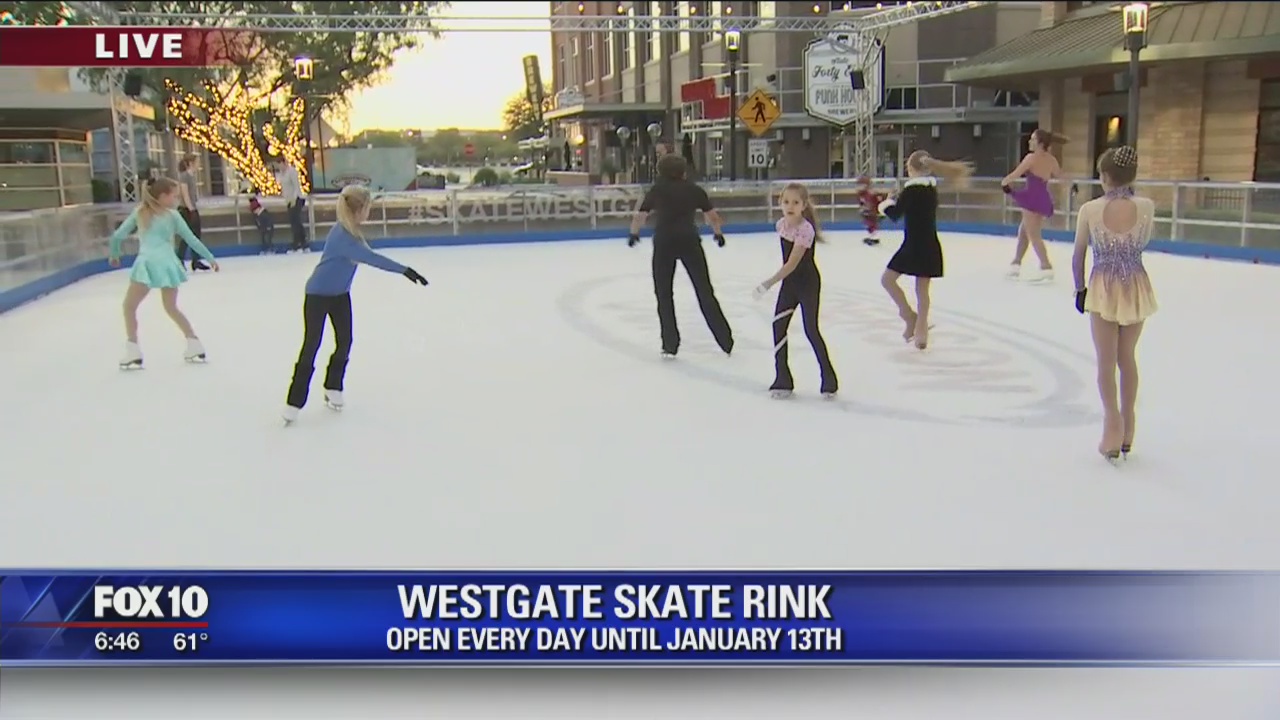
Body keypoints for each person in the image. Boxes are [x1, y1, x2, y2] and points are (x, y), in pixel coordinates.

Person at [282, 185, 429, 425]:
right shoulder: (343, 237)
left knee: (345, 341)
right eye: (367, 208)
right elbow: (372, 258)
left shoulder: (352, 232)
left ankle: (333, 386)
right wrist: (405, 270)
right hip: (317, 296)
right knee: (311, 345)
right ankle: (293, 402)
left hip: (340, 295)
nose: (369, 212)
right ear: (358, 210)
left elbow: (367, 254)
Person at [1070, 145, 1157, 463]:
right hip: (1135, 285)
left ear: (1105, 176)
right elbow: (1143, 241)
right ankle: (1128, 425)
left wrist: (1080, 289)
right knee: (1126, 357)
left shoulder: (1090, 209)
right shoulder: (1146, 206)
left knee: (1106, 362)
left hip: (1103, 288)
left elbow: (1078, 254)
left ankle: (1113, 425)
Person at [627, 154, 733, 359]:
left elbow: (640, 215)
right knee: (704, 290)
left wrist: (634, 234)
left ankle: (670, 344)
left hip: (664, 242)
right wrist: (718, 234)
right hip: (689, 241)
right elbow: (712, 216)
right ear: (683, 171)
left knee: (664, 294)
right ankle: (725, 340)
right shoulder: (694, 190)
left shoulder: (656, 190)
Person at [108, 177, 220, 369]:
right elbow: (191, 239)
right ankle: (194, 343)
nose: (177, 200)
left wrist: (115, 254)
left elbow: (118, 235)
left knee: (129, 306)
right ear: (162, 196)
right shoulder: (172, 216)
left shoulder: (140, 213)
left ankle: (133, 349)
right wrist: (210, 258)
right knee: (171, 307)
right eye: (174, 196)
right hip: (167, 263)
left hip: (147, 263)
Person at [879, 150, 974, 350]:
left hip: (912, 245)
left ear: (910, 168)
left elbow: (895, 214)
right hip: (929, 244)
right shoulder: (930, 190)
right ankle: (921, 332)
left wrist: (886, 203)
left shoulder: (911, 190)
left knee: (887, 280)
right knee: (922, 291)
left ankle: (909, 316)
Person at [751, 183, 837, 399]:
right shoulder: (781, 225)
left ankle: (829, 379)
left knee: (811, 330)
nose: (790, 206)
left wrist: (768, 283)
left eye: (795, 202)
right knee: (778, 326)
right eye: (786, 202)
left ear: (804, 205)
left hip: (808, 284)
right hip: (790, 284)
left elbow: (792, 263)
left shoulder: (806, 230)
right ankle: (783, 379)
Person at [1002, 129, 1068, 282]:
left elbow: (1016, 173)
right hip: (1042, 197)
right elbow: (1061, 176)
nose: (1029, 141)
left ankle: (1046, 266)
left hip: (1031, 198)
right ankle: (1016, 263)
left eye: (1032, 139)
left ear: (1040, 143)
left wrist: (1004, 182)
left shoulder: (1031, 158)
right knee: (1024, 231)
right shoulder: (1051, 160)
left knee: (1033, 235)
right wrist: (1072, 185)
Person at [175, 155, 210, 272]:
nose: (198, 164)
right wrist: (191, 209)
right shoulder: (184, 176)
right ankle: (180, 258)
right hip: (186, 209)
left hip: (192, 208)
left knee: (196, 235)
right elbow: (185, 194)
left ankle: (196, 260)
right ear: (191, 163)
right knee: (187, 235)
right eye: (197, 162)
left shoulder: (192, 176)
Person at [276, 160, 308, 252]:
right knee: (294, 221)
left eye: (281, 165)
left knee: (296, 222)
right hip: (289, 201)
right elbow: (283, 187)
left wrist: (294, 199)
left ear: (285, 163)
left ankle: (298, 243)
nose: (280, 167)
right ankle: (302, 242)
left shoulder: (292, 171)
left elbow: (296, 186)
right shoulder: (281, 174)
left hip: (296, 199)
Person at [855, 175, 887, 246]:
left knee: (872, 223)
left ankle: (874, 238)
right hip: (868, 211)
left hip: (874, 211)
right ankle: (872, 237)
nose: (859, 187)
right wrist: (862, 208)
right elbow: (862, 203)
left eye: (861, 185)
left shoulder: (870, 193)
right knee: (868, 224)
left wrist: (879, 211)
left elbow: (877, 201)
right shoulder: (861, 194)